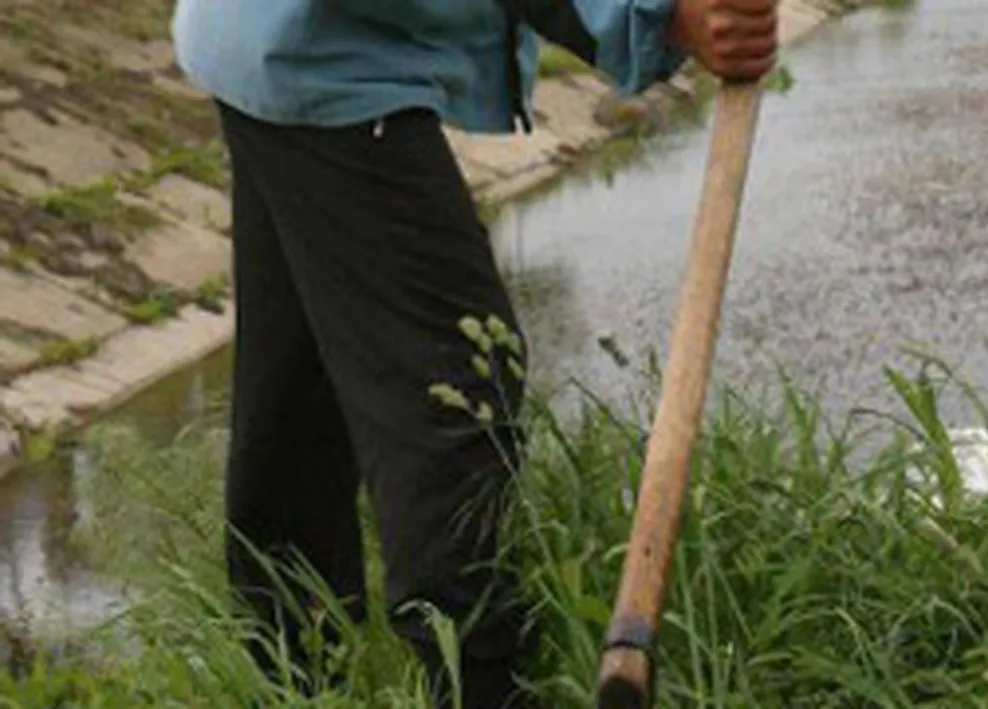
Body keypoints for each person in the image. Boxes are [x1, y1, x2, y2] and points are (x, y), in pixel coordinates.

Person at [170, 0, 778, 706]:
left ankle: (289, 681)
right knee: (455, 392)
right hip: (324, 51)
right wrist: (660, 15)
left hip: (273, 37)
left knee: (298, 404)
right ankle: (477, 688)